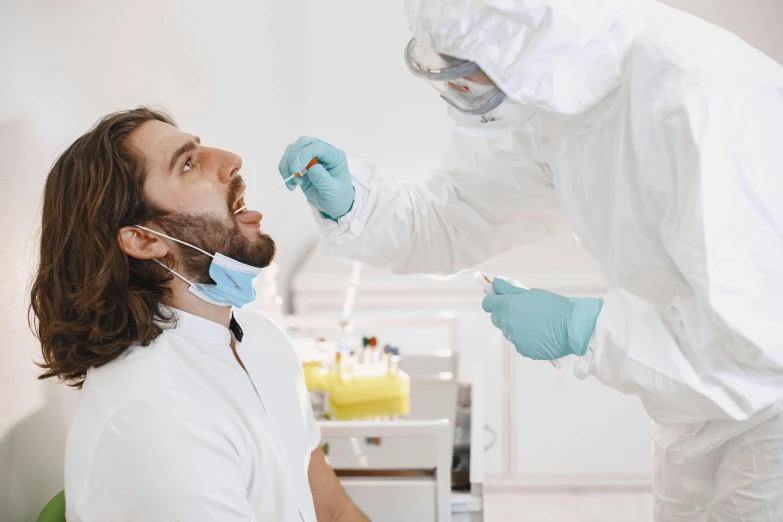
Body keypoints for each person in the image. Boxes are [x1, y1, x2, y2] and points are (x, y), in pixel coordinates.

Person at [278, 0, 783, 520]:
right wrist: (357, 205)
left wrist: (584, 329)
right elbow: (459, 217)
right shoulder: (560, 92)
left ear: (519, 37)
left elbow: (752, 347)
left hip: (768, 423)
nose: (462, 89)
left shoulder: (698, 99)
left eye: (467, 67)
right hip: (693, 413)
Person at [30, 108, 369, 522]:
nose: (230, 160)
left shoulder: (262, 340)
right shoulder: (155, 415)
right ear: (143, 238)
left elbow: (333, 512)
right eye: (188, 163)